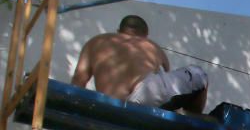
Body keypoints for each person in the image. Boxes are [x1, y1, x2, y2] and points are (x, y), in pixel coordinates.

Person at [71, 15, 208, 112]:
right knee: (198, 73)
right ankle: (193, 116)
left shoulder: (96, 42)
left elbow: (79, 78)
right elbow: (167, 86)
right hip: (145, 95)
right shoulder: (151, 45)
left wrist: (73, 112)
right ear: (145, 34)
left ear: (119, 30)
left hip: (111, 103)